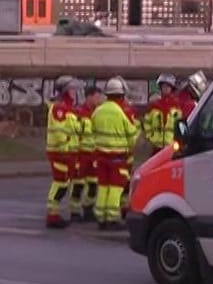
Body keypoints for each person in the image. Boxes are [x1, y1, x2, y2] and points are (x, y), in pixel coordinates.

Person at [90, 76, 141, 229]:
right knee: (115, 188)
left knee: (103, 187)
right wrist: (137, 129)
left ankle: (101, 217)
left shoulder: (98, 111)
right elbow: (132, 137)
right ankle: (112, 218)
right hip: (118, 157)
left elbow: (92, 131)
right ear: (120, 95)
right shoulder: (121, 112)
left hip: (101, 156)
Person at [44, 75, 81, 229]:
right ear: (65, 90)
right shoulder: (60, 108)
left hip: (68, 152)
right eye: (72, 89)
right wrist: (66, 146)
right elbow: (59, 131)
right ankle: (52, 215)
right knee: (60, 183)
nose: (75, 92)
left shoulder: (68, 107)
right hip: (60, 152)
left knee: (64, 183)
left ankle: (54, 213)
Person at [75, 82, 103, 219]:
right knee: (78, 183)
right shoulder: (80, 113)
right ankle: (74, 210)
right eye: (97, 97)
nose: (99, 100)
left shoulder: (98, 113)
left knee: (93, 183)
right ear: (89, 97)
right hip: (81, 153)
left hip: (94, 154)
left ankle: (88, 208)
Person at [142, 73, 180, 152]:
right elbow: (146, 122)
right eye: (163, 86)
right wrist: (151, 137)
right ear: (160, 87)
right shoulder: (154, 106)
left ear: (172, 88)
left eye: (168, 86)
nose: (165, 88)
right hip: (156, 147)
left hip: (172, 147)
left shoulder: (177, 106)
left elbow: (182, 125)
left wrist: (179, 141)